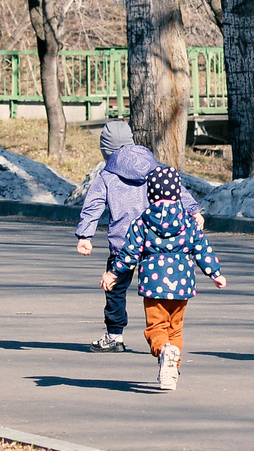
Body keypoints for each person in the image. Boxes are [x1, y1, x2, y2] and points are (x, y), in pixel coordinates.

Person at [102, 164, 225, 392]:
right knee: (175, 329)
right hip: (182, 285)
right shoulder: (188, 222)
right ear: (178, 193)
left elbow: (129, 253)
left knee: (156, 328)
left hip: (154, 285)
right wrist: (215, 273)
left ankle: (163, 352)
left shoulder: (142, 222)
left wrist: (113, 273)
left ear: (150, 194)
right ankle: (172, 370)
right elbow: (202, 248)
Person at [76, 120, 158, 351]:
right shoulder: (153, 167)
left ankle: (114, 336)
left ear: (106, 149)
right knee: (156, 289)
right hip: (154, 240)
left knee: (115, 289)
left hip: (122, 244)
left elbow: (93, 205)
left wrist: (85, 235)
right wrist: (192, 211)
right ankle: (161, 334)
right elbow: (174, 190)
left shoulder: (106, 175)